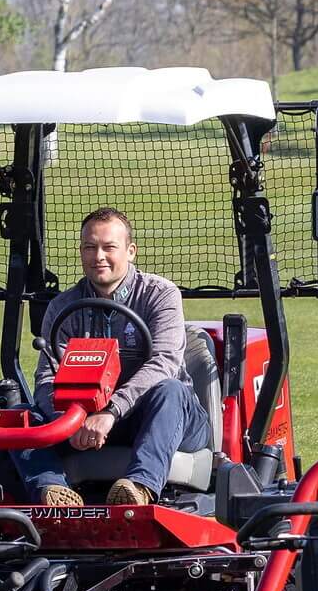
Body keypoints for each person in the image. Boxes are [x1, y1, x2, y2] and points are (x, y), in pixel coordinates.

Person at [17, 207, 209, 508]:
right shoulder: (63, 307)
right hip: (86, 420)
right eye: (90, 247)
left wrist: (111, 412)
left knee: (169, 389)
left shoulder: (159, 294)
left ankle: (139, 489)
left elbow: (164, 363)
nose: (98, 257)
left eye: (109, 247)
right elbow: (47, 378)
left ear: (130, 251)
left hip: (161, 416)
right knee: (20, 415)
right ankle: (52, 493)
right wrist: (69, 422)